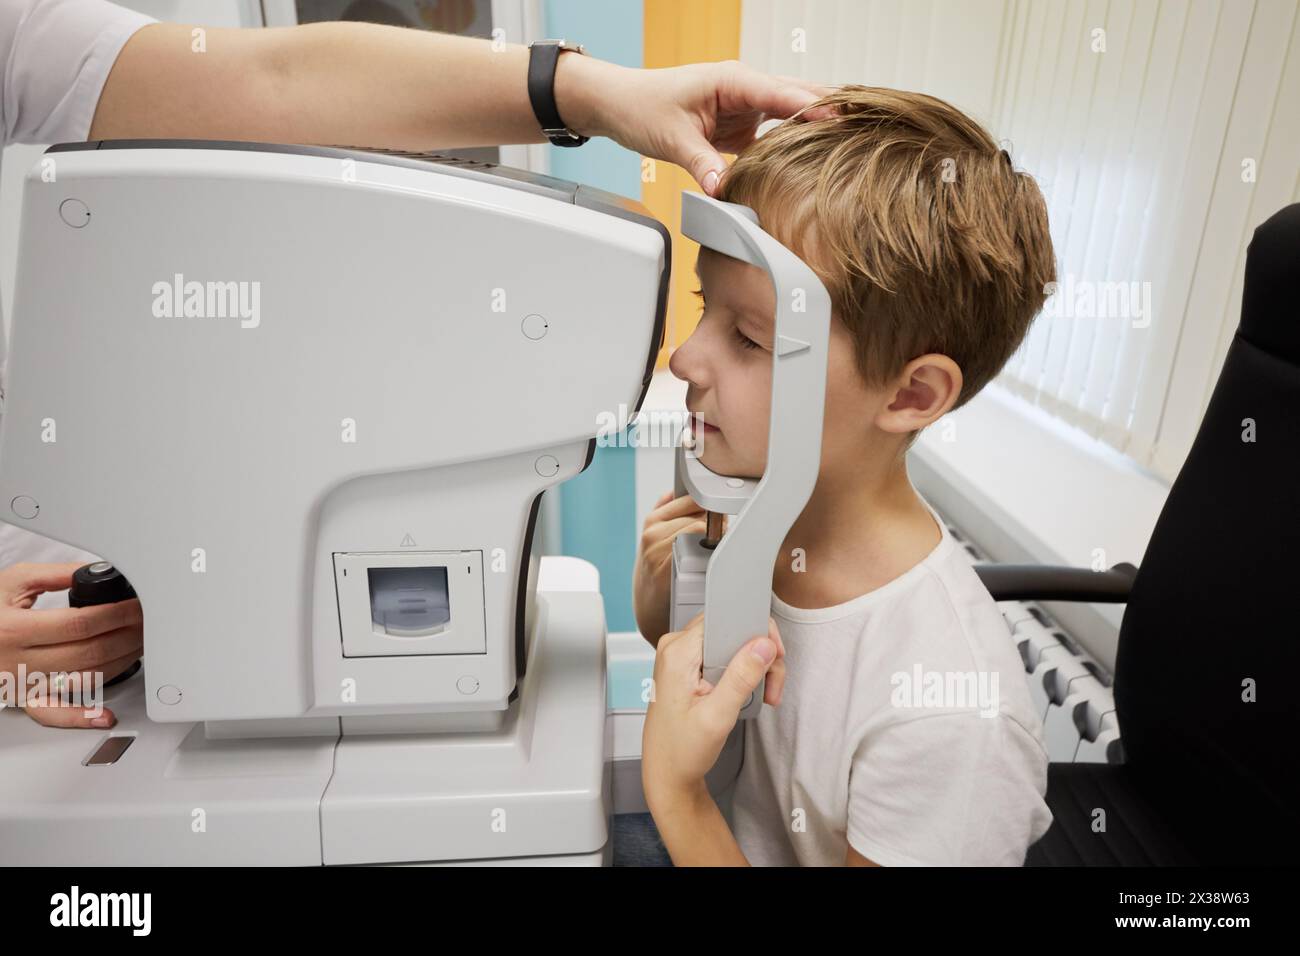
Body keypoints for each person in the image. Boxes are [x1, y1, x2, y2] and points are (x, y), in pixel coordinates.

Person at [0, 0, 833, 728]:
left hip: (105, 642)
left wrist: (591, 91)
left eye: (753, 337)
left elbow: (271, 85)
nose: (681, 357)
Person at [633, 85, 1058, 866]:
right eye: (705, 308)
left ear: (909, 394)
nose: (685, 359)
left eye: (750, 340)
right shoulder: (762, 513)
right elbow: (688, 665)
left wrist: (677, 794)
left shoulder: (948, 720)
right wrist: (670, 594)